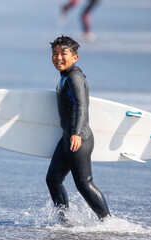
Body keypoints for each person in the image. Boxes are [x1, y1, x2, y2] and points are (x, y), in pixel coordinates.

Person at [46, 36, 111, 223]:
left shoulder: (74, 77)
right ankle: (64, 221)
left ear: (75, 57)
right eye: (55, 54)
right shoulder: (65, 76)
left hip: (79, 138)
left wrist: (76, 133)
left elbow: (82, 106)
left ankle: (107, 221)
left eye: (63, 54)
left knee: (84, 183)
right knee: (53, 179)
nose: (58, 58)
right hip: (67, 137)